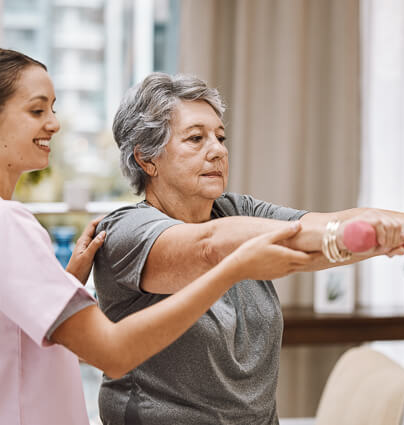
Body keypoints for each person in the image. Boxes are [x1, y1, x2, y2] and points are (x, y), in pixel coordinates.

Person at [0, 49, 314, 425]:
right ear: (147, 160)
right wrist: (233, 269)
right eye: (37, 111)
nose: (54, 124)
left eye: (53, 109)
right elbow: (112, 352)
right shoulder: (9, 225)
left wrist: (65, 284)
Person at [93, 72, 404, 425]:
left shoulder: (237, 210)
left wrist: (389, 229)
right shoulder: (126, 231)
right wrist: (347, 235)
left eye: (220, 137)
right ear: (146, 159)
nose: (218, 150)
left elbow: (331, 223)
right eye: (196, 138)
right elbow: (210, 247)